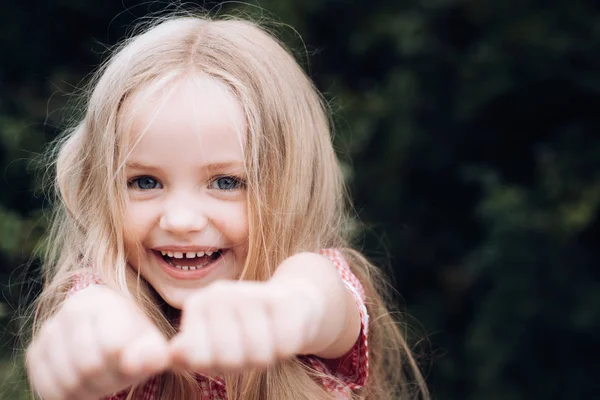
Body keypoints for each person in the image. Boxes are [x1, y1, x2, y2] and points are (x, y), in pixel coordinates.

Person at [25, 14, 429, 400]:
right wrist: (88, 335)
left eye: (226, 182)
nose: (181, 220)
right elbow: (92, 309)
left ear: (291, 189)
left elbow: (316, 295)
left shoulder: (316, 286)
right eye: (145, 182)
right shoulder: (102, 297)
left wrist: (284, 311)